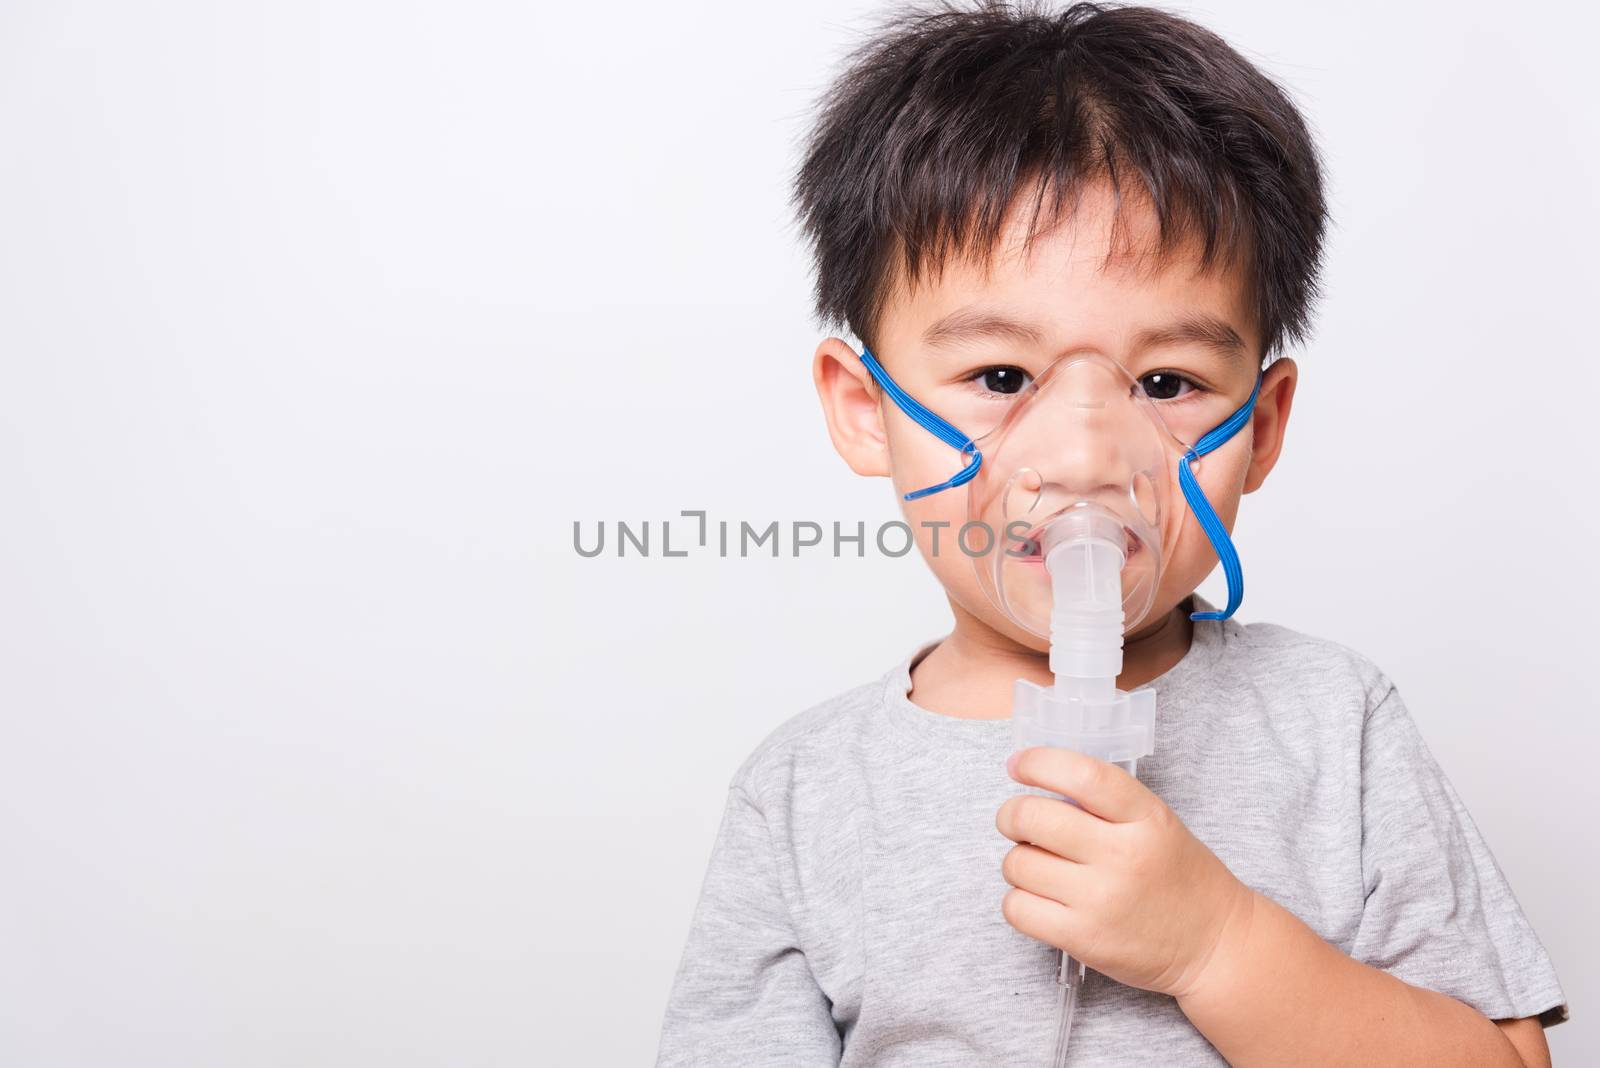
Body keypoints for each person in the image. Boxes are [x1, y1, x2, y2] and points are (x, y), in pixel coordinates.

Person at [655, 2, 1567, 1064]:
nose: (1087, 454)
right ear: (866, 411)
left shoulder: (1331, 727)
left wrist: (1216, 945)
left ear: (1260, 428)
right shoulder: (807, 791)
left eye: (1166, 381)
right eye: (1000, 377)